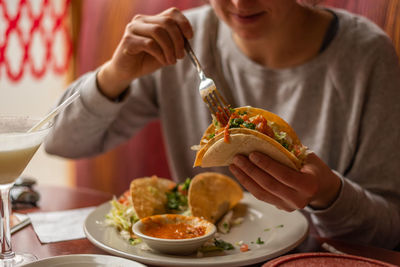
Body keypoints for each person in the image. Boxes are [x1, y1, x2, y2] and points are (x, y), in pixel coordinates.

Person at [44, 0, 400, 249]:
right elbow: (59, 141)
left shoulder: (366, 57)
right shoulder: (180, 43)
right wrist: (114, 74)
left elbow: (390, 228)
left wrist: (327, 195)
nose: (239, 3)